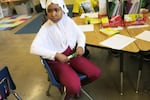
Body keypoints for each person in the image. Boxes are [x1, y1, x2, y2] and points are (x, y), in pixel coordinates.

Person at [30, 0, 101, 100]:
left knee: (95, 73)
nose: (53, 14)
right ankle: (71, 91)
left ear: (62, 9)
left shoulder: (68, 21)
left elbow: (80, 34)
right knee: (73, 86)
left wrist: (80, 46)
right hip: (57, 62)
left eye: (56, 10)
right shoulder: (45, 28)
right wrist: (55, 54)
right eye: (49, 11)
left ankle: (75, 88)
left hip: (72, 55)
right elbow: (34, 48)